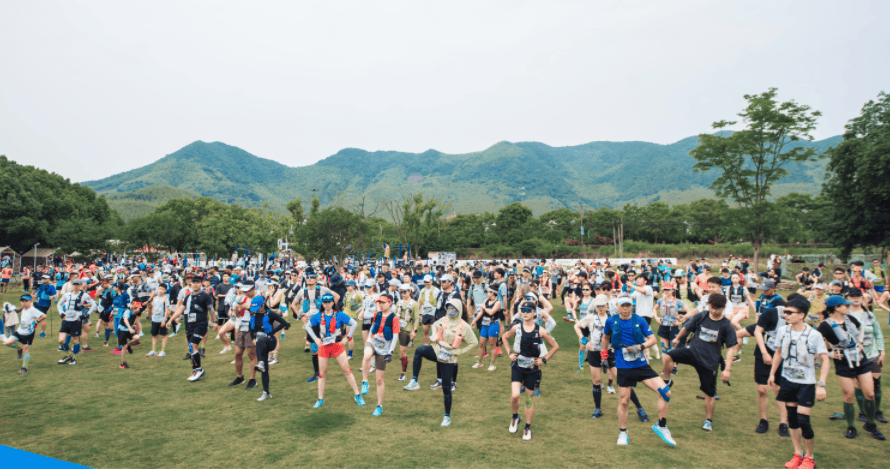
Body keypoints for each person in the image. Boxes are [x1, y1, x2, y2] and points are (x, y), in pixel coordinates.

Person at [602, 293, 674, 446]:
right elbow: (606, 338)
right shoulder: (611, 321)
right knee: (624, 401)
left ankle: (661, 426)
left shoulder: (639, 320)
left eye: (628, 305)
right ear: (617, 306)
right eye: (622, 305)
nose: (625, 308)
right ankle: (623, 433)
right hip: (623, 366)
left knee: (665, 392)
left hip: (641, 365)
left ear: (632, 305)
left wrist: (640, 346)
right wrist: (603, 355)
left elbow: (652, 339)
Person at [767, 296, 830, 469]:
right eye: (785, 312)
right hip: (788, 380)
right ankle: (798, 453)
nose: (785, 315)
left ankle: (810, 457)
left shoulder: (814, 335)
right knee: (792, 419)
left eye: (789, 312)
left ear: (801, 315)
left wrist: (821, 384)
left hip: (806, 383)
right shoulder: (783, 331)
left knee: (803, 419)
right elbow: (779, 352)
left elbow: (825, 360)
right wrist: (772, 374)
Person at [662, 294, 738, 432]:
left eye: (718, 308)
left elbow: (730, 348)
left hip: (709, 362)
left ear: (724, 308)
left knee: (709, 393)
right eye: (712, 307)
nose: (715, 311)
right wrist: (678, 338)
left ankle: (708, 420)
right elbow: (686, 328)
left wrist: (727, 369)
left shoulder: (726, 325)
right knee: (668, 356)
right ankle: (666, 381)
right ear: (708, 304)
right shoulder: (701, 316)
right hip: (692, 352)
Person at [403, 298, 479, 427]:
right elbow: (434, 324)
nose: (450, 311)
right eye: (448, 308)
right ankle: (415, 380)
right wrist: (434, 335)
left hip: (449, 357)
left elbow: (474, 342)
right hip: (437, 350)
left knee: (446, 388)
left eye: (452, 309)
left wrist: (460, 352)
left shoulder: (464, 326)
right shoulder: (445, 319)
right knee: (419, 350)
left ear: (458, 310)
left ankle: (447, 416)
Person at [818, 295, 884, 440]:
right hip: (843, 363)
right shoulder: (825, 325)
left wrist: (861, 342)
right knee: (848, 395)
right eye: (845, 306)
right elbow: (814, 345)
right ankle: (851, 426)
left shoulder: (851, 319)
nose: (849, 307)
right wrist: (829, 354)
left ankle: (871, 424)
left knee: (870, 394)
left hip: (861, 360)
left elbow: (862, 331)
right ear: (836, 308)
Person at [502, 300, 560, 441]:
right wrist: (509, 353)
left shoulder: (540, 331)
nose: (525, 313)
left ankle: (527, 428)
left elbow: (555, 346)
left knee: (528, 399)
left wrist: (543, 359)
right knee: (515, 395)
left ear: (535, 313)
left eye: (528, 311)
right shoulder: (517, 327)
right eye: (523, 310)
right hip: (518, 366)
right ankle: (515, 417)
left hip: (532, 370)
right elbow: (504, 337)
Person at [306, 292, 364, 408]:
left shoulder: (339, 315)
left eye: (329, 302)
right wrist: (316, 339)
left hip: (337, 346)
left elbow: (353, 323)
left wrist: (347, 338)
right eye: (325, 302)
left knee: (347, 370)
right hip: (324, 347)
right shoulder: (319, 316)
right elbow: (308, 326)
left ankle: (357, 394)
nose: (327, 304)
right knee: (322, 373)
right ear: (322, 303)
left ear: (333, 303)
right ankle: (320, 398)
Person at [574, 294, 621, 419]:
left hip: (610, 353)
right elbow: (577, 326)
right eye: (598, 306)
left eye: (603, 305)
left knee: (622, 380)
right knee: (597, 381)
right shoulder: (590, 317)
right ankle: (597, 409)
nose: (600, 308)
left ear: (607, 305)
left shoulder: (613, 319)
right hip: (594, 352)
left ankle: (639, 408)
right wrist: (584, 340)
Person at [165, 275, 215, 382]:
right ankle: (195, 370)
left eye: (198, 282)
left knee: (192, 345)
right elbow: (180, 310)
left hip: (201, 325)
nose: (195, 284)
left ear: (201, 284)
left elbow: (211, 309)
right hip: (190, 325)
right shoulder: (188, 297)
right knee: (191, 348)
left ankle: (199, 370)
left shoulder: (205, 296)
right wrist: (171, 319)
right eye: (193, 282)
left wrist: (215, 322)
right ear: (190, 284)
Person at [360, 293, 400, 416]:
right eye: (379, 302)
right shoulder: (377, 314)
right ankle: (365, 381)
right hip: (373, 342)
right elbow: (373, 328)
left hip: (384, 350)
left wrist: (390, 352)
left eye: (383, 302)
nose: (381, 305)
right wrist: (368, 342)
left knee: (379, 380)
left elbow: (395, 335)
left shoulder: (394, 318)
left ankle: (379, 405)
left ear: (390, 303)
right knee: (367, 355)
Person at [248, 294, 291, 401]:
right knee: (264, 370)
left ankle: (261, 363)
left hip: (270, 341)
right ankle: (266, 392)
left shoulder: (270, 313)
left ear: (263, 305)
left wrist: (272, 332)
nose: (256, 310)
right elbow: (250, 329)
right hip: (259, 344)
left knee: (261, 339)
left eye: (258, 307)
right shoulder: (253, 316)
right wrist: (252, 338)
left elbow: (284, 322)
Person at [2, 295, 46, 373]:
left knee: (26, 350)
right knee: (8, 342)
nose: (24, 303)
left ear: (30, 302)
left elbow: (43, 315)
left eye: (26, 301)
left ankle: (24, 368)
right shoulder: (23, 309)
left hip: (28, 334)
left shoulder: (32, 310)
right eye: (22, 301)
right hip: (19, 331)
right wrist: (6, 305)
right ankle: (19, 348)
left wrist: (36, 322)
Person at [227, 282, 258, 389]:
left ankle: (252, 379)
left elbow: (261, 312)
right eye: (245, 290)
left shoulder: (258, 298)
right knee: (237, 353)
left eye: (248, 290)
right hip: (242, 327)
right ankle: (239, 377)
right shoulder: (243, 299)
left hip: (252, 328)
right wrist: (236, 309)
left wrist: (248, 308)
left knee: (251, 354)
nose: (246, 292)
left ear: (254, 289)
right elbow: (239, 315)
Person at [57, 279, 95, 365]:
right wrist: (62, 314)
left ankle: (74, 358)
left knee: (75, 340)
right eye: (74, 284)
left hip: (76, 321)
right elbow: (59, 304)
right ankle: (68, 355)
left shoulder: (84, 295)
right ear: (72, 285)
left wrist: (85, 315)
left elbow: (93, 304)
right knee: (61, 340)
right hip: (66, 320)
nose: (76, 286)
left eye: (78, 285)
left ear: (80, 285)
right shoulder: (67, 295)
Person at [471, 286, 502, 371]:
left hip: (493, 324)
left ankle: (492, 364)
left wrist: (484, 307)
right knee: (481, 344)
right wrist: (474, 320)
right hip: (485, 324)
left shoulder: (497, 303)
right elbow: (480, 312)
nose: (487, 293)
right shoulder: (486, 301)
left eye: (488, 292)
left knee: (492, 345)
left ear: (492, 292)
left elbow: (491, 312)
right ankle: (479, 362)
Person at [394, 283, 420, 381]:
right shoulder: (398, 302)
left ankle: (403, 373)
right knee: (400, 353)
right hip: (396, 328)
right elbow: (394, 315)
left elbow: (416, 319)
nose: (403, 294)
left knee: (402, 351)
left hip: (406, 329)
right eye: (401, 292)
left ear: (410, 291)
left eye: (404, 292)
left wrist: (414, 331)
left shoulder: (414, 304)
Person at [145, 283, 171, 357]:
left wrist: (164, 321)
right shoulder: (155, 298)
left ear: (165, 291)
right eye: (159, 289)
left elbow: (167, 311)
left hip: (162, 320)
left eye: (162, 289)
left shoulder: (165, 298)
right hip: (154, 320)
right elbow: (152, 308)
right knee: (154, 335)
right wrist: (151, 315)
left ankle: (163, 351)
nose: (160, 290)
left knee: (163, 335)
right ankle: (154, 350)